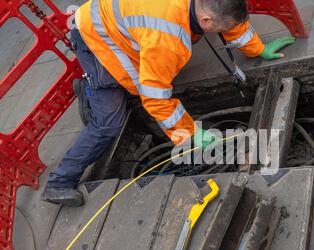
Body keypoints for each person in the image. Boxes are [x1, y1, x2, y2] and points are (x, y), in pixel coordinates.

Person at [42, 0, 295, 207]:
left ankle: (99, 87)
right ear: (205, 21)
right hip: (94, 38)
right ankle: (60, 182)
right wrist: (189, 133)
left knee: (154, 75)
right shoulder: (166, 39)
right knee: (110, 121)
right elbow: (153, 96)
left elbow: (228, 16)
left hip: (118, 20)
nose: (221, 30)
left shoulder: (206, 7)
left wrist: (257, 48)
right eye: (216, 27)